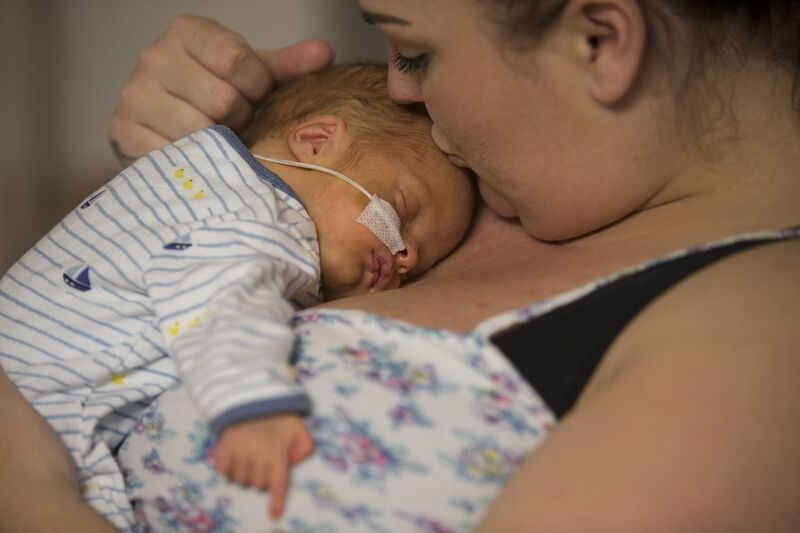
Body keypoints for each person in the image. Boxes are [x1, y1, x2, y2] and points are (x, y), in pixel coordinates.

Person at [3, 0, 800, 530]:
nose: (395, 86)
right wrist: (194, 170)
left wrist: (26, 488)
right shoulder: (487, 169)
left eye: (414, 51)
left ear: (600, 38)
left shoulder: (763, 340)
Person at [0, 62, 473, 531]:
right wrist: (253, 404)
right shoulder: (258, 219)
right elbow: (221, 297)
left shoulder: (195, 174)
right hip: (42, 404)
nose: (407, 254)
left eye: (424, 260)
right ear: (316, 142)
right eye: (405, 209)